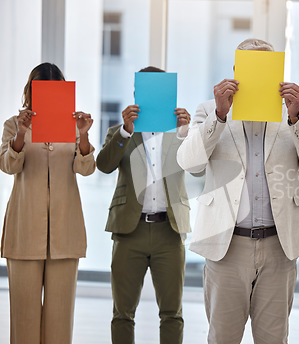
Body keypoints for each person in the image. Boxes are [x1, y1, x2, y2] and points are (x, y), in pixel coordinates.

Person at [176, 38, 299, 344]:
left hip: (279, 245)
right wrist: (220, 115)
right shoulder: (208, 110)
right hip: (226, 246)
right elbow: (189, 163)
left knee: (274, 338)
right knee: (223, 337)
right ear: (236, 70)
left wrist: (296, 118)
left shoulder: (295, 112)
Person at [0, 62, 95, 343]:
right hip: (25, 230)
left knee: (59, 323)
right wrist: (20, 133)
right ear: (30, 91)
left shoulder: (75, 126)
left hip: (66, 233)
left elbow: (86, 168)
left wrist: (85, 134)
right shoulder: (13, 125)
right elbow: (8, 166)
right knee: (24, 320)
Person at [96, 66, 192, 344]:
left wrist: (186, 134)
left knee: (172, 313)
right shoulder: (119, 132)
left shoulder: (180, 132)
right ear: (136, 93)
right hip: (129, 231)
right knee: (122, 313)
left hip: (170, 232)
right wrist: (125, 132)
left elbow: (198, 170)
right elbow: (104, 166)